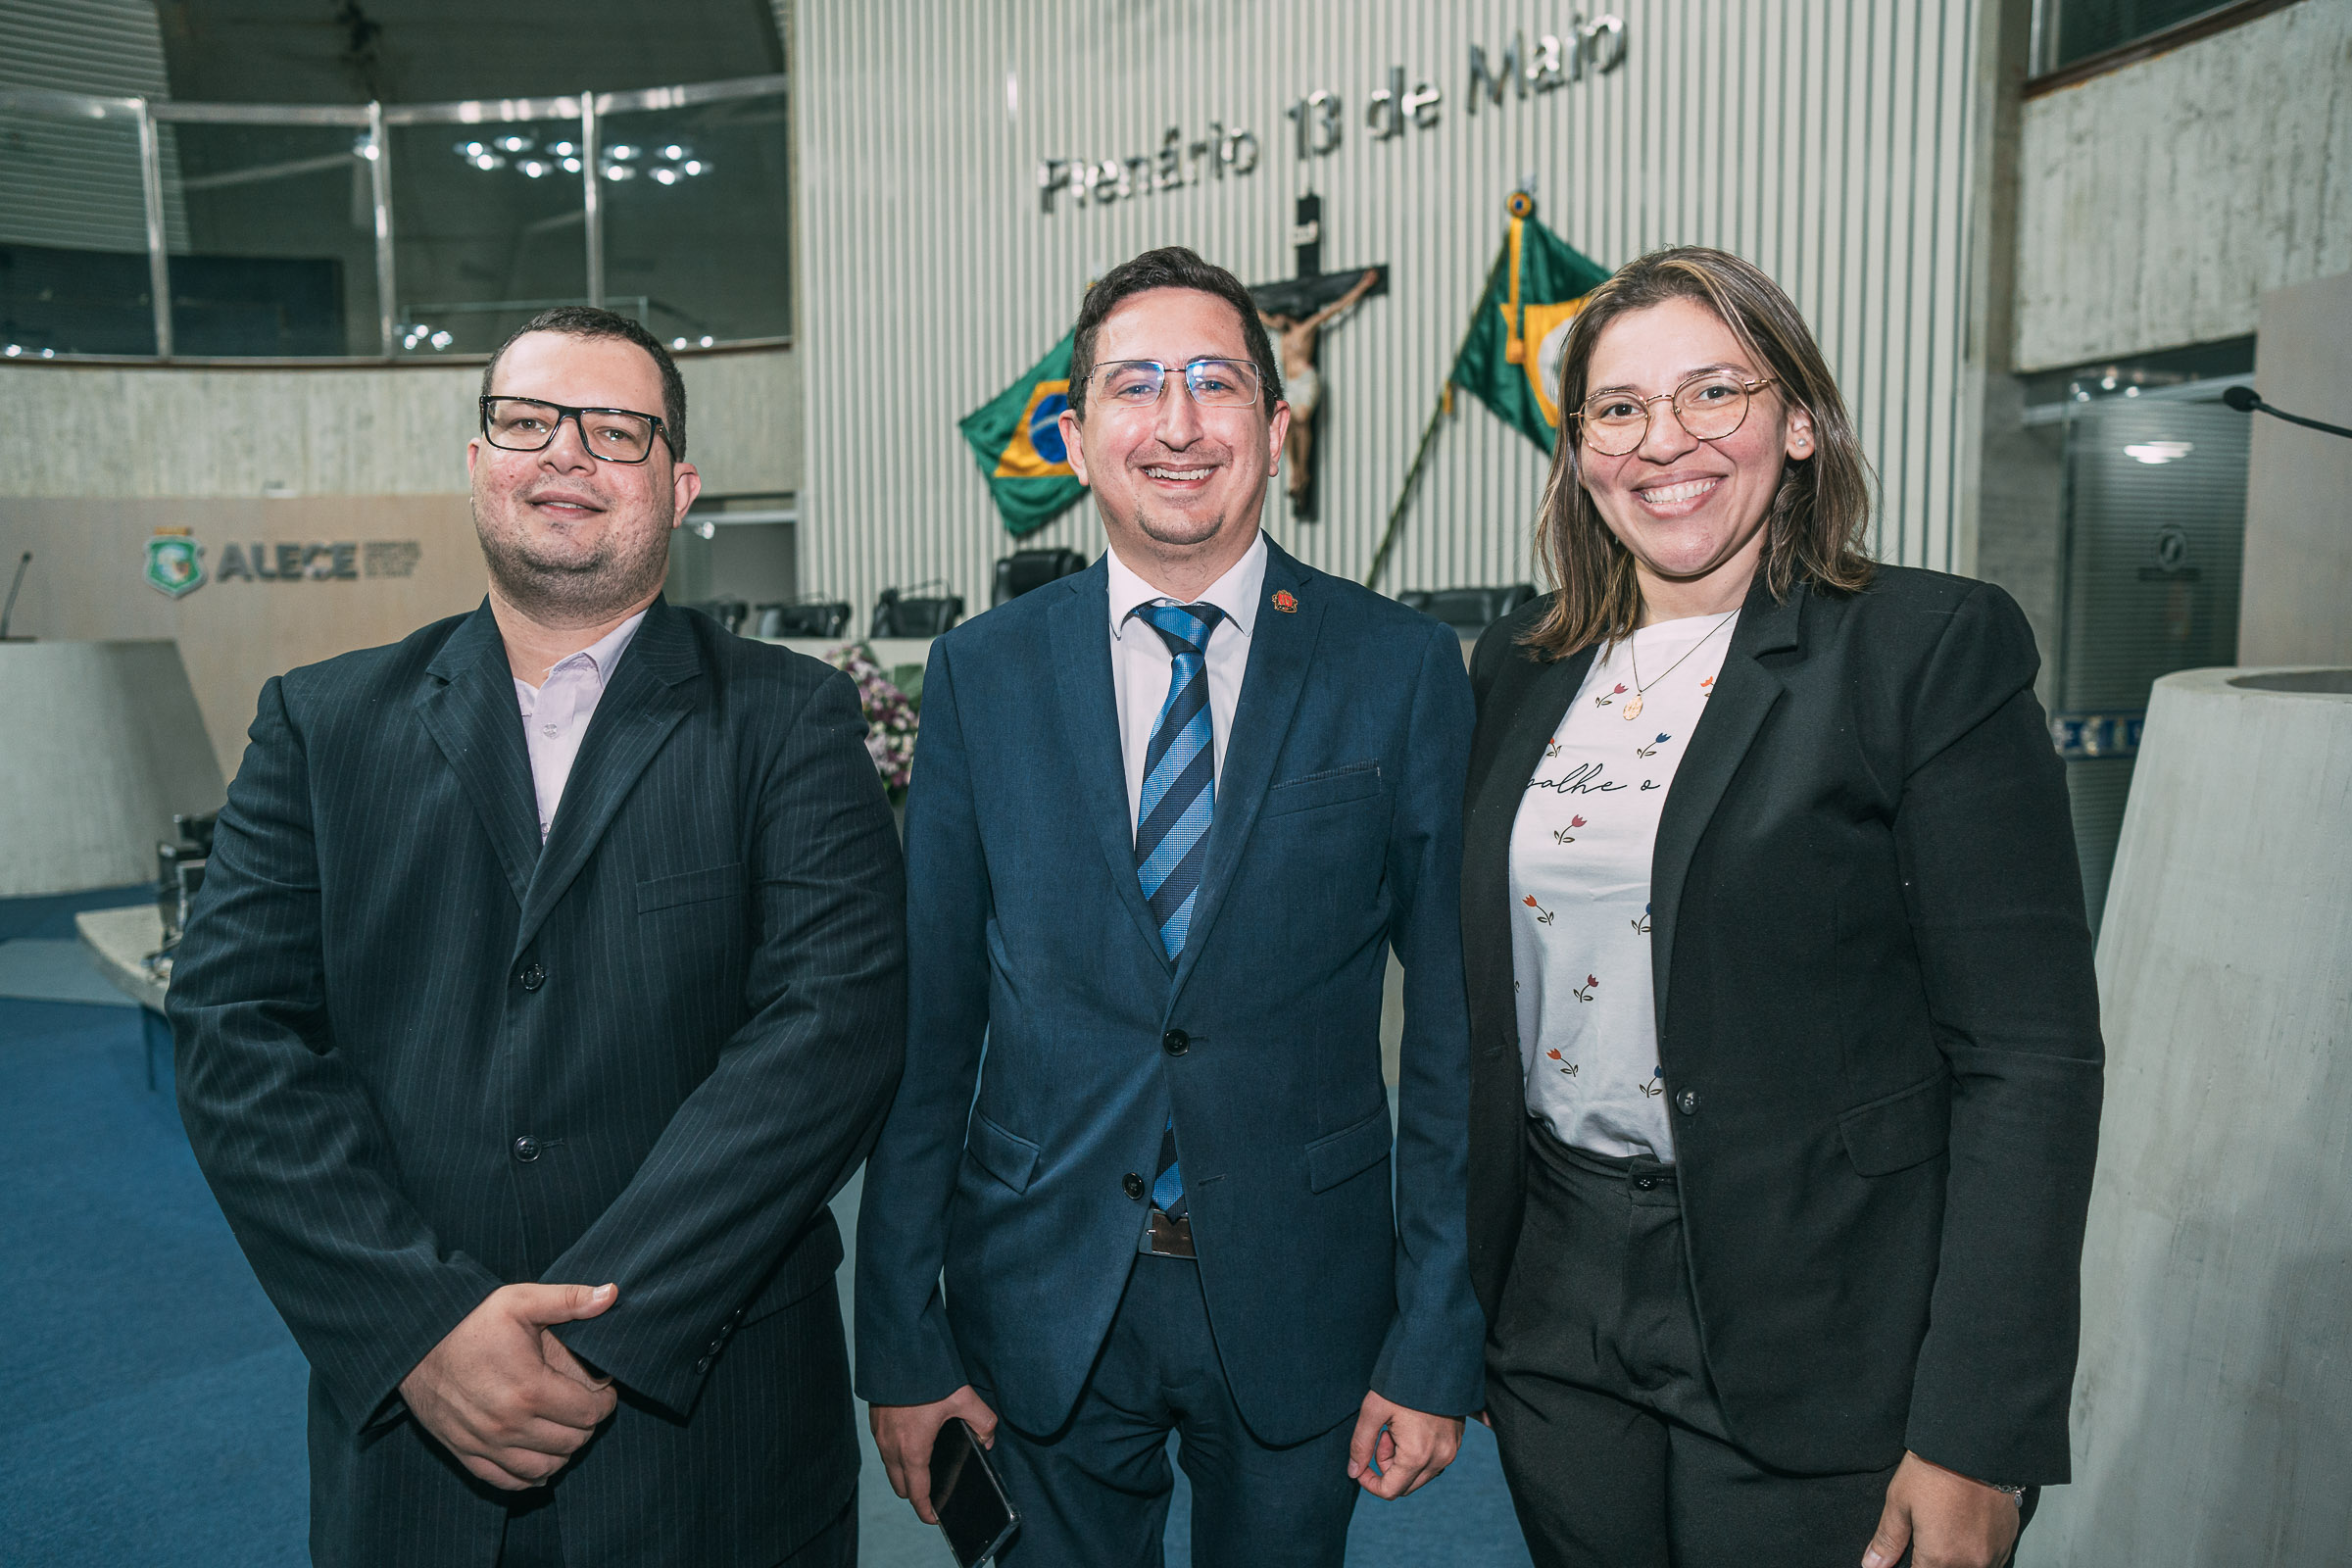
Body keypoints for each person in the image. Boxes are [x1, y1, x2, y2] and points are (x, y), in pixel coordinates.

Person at [169, 306, 906, 1568]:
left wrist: (599, 1325)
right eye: (525, 421)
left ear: (678, 487)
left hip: (715, 1435)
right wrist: (423, 1325)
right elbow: (237, 1036)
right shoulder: (321, 723)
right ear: (478, 462)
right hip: (417, 1447)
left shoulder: (792, 718)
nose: (565, 451)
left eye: (615, 429)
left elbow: (831, 1033)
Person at [1460, 247, 2104, 1568]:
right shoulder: (1522, 664)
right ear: (1578, 449)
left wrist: (1979, 1428)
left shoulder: (1923, 647)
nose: (1665, 441)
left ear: (1800, 422)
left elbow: (2028, 1057)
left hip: (1823, 1306)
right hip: (1558, 1296)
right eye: (1619, 408)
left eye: (1715, 391)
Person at [856, 246, 1485, 1566]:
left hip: (1305, 1288)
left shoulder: (1402, 668)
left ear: (1277, 425)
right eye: (1136, 386)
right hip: (1039, 1284)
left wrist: (1436, 1330)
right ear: (1077, 436)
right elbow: (929, 1029)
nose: (1180, 423)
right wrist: (902, 1334)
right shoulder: (979, 675)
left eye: (1216, 381)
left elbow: (1453, 1036)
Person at [1259, 266, 1380, 509]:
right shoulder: (1283, 334)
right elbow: (1259, 315)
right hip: (1290, 384)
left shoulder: (1307, 328)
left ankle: (1302, 472)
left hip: (1305, 380)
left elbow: (1336, 308)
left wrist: (1362, 286)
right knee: (1287, 426)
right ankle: (1296, 474)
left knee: (1301, 420)